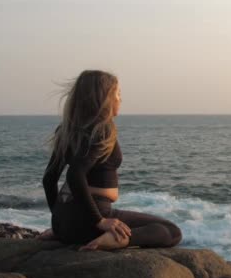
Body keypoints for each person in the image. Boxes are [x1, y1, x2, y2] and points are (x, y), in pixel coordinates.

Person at [38, 70, 182, 251]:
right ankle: (117, 240)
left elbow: (48, 179)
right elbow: (75, 174)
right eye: (117, 94)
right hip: (92, 219)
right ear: (104, 98)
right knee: (171, 231)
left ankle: (74, 229)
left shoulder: (67, 130)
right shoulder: (103, 129)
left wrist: (59, 222)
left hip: (65, 224)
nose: (120, 99)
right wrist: (100, 221)